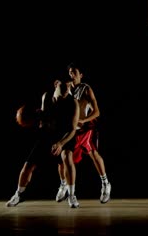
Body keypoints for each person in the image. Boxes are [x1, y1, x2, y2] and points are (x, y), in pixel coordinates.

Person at [6, 79, 81, 208]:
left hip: (65, 136)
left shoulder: (73, 103)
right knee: (27, 166)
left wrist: (60, 143)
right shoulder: (46, 97)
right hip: (48, 135)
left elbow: (73, 129)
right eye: (58, 97)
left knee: (66, 157)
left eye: (64, 96)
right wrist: (37, 118)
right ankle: (18, 194)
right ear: (55, 85)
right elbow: (44, 122)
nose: (60, 99)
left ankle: (72, 195)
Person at [55, 62, 111, 204]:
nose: (71, 75)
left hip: (85, 129)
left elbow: (97, 112)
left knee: (93, 154)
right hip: (69, 129)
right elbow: (56, 102)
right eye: (70, 73)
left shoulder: (86, 89)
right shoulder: (65, 87)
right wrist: (57, 88)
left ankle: (105, 184)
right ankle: (63, 185)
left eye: (74, 72)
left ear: (81, 75)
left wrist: (84, 120)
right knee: (62, 159)